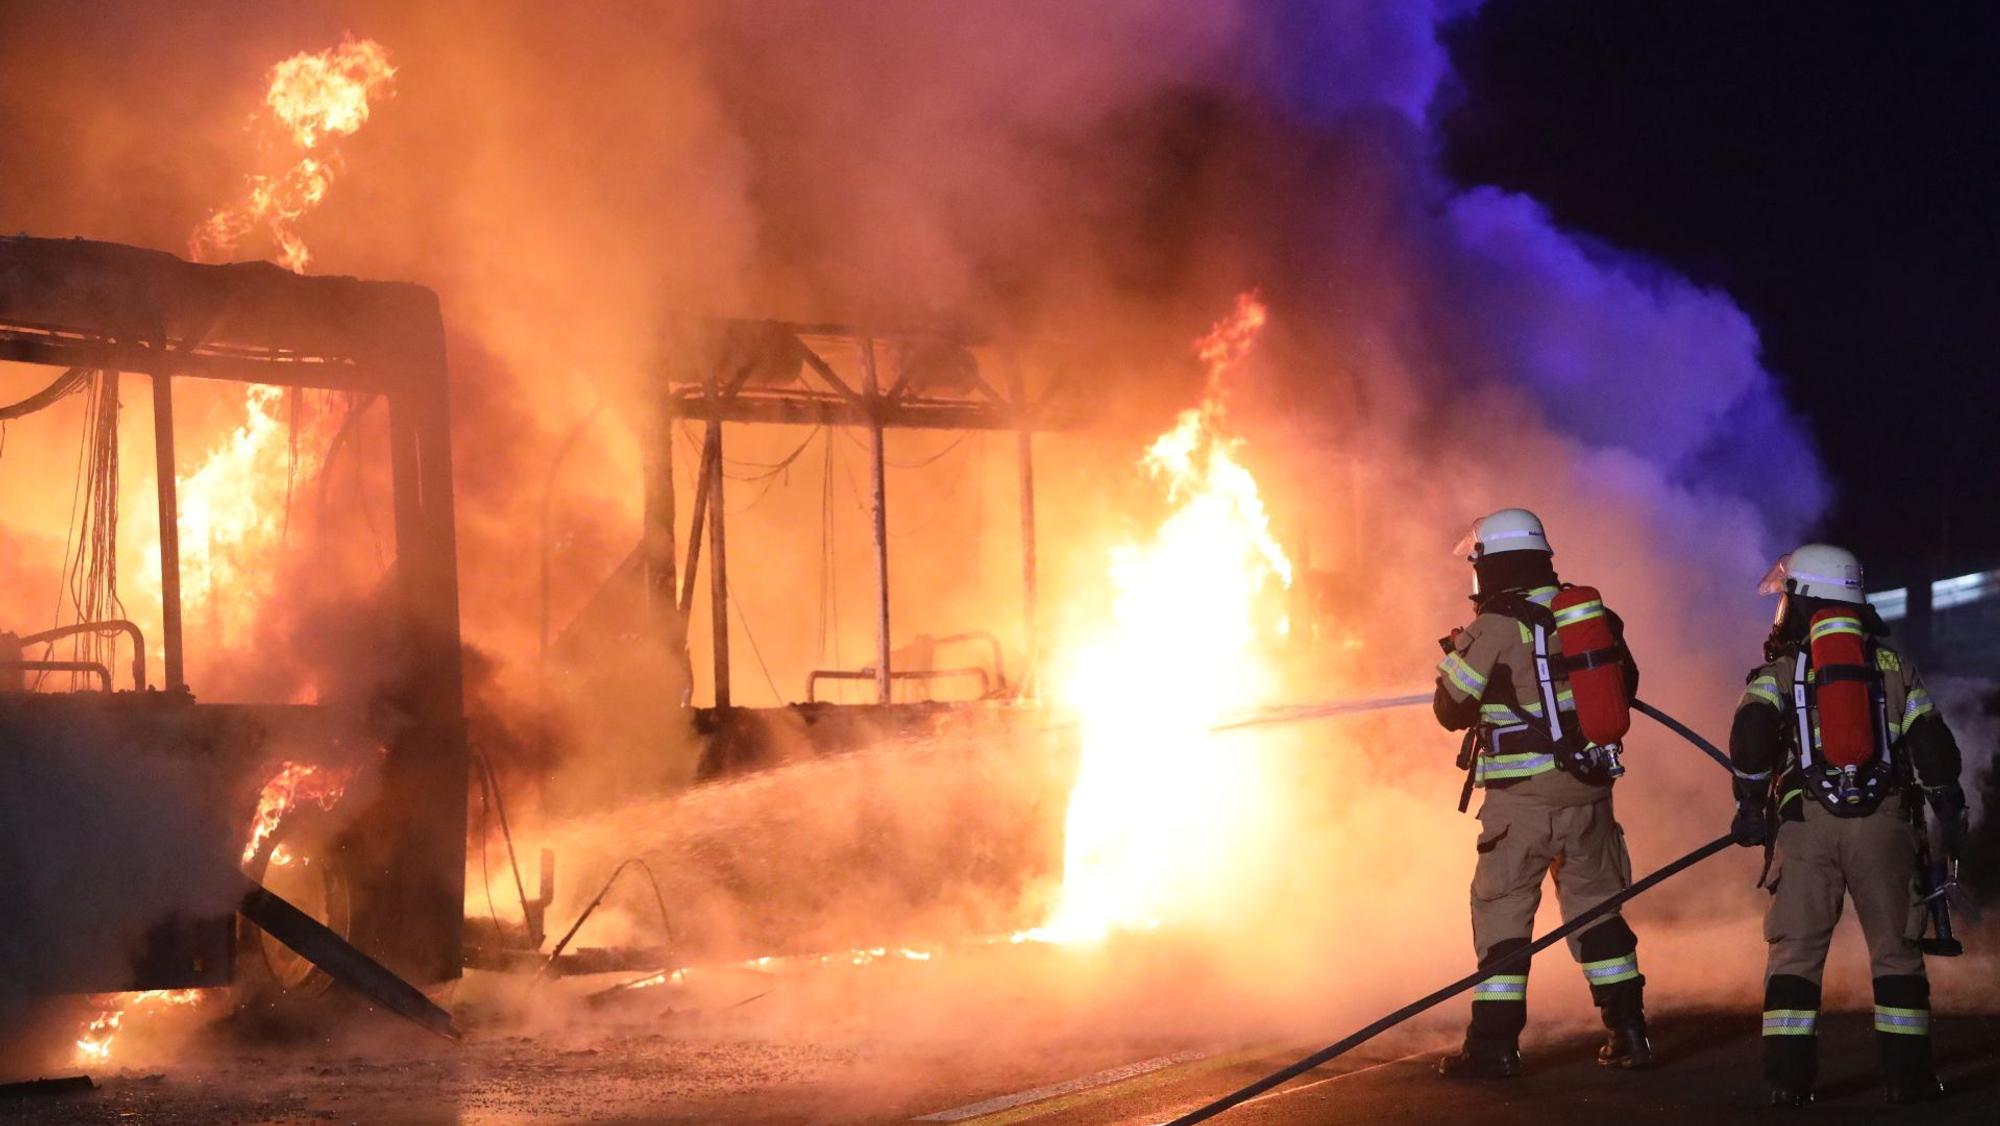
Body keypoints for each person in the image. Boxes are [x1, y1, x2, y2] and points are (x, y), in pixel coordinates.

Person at [1727, 543, 1967, 1106]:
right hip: (1885, 826)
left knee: (1795, 953)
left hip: (1806, 827)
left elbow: (1751, 739)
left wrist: (1749, 805)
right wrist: (1948, 811)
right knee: (1897, 951)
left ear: (1806, 599)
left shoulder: (1782, 671)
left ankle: (1788, 1084)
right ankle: (1907, 1081)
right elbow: (1935, 752)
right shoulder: (1895, 668)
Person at [1432, 508, 1649, 1078]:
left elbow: (1450, 710)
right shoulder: (1591, 617)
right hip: (1590, 796)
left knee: (1503, 915)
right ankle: (1630, 1034)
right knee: (1598, 911)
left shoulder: (1495, 626)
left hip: (1522, 804)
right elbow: (1624, 687)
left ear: (1494, 565)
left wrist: (1459, 657)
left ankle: (1493, 1049)